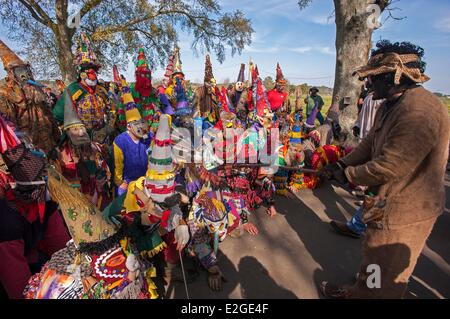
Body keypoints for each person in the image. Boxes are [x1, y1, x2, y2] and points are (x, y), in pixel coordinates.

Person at [319, 40, 450, 298]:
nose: (367, 84)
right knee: (375, 251)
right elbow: (369, 144)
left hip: (406, 209)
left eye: (373, 78)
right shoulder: (390, 103)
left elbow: (390, 165)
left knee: (386, 270)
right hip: (383, 200)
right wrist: (342, 163)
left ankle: (367, 293)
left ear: (394, 78)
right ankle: (366, 286)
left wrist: (347, 175)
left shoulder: (419, 111)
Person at [0, 116, 70, 299]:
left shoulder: (44, 201)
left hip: (29, 257)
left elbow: (60, 246)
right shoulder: (6, 220)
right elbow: (18, 285)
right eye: (41, 176)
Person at [0, 40, 61, 154]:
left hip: (49, 144)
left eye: (26, 70)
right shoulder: (5, 93)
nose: (24, 74)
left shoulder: (36, 90)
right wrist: (22, 148)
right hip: (30, 149)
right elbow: (9, 125)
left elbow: (48, 114)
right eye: (19, 71)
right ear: (10, 73)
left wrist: (57, 136)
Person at [113, 80, 151, 196]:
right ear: (128, 127)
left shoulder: (146, 137)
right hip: (128, 181)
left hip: (146, 178)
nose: (139, 126)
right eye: (136, 123)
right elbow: (118, 165)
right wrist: (120, 182)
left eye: (140, 122)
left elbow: (151, 155)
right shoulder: (120, 141)